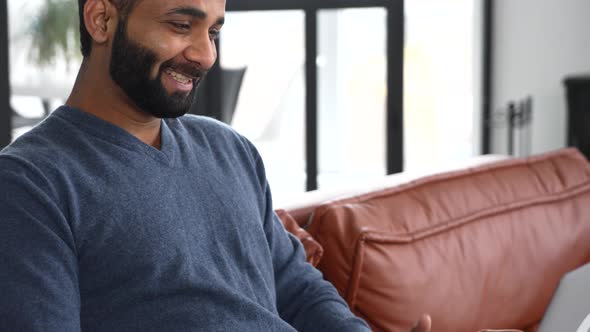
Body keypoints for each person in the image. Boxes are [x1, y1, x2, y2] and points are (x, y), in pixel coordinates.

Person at [0, 0, 431, 331]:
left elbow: (296, 288)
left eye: (214, 31)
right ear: (102, 19)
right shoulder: (29, 184)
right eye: (181, 25)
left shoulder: (230, 149)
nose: (206, 55)